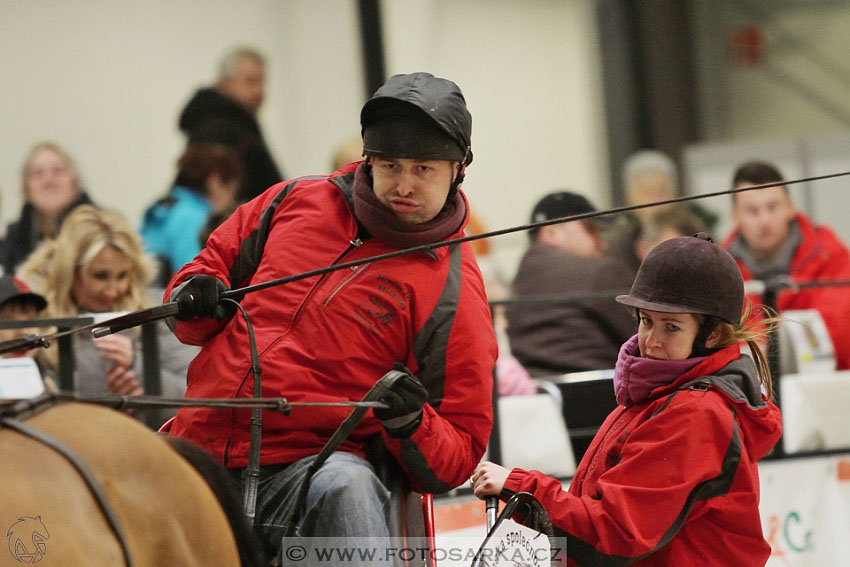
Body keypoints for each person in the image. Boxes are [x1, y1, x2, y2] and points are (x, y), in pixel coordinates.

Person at [164, 72, 497, 561]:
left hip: (311, 473)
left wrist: (410, 421)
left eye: (423, 169)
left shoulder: (455, 288)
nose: (403, 185)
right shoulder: (292, 199)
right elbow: (196, 286)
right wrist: (196, 295)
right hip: (198, 449)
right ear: (368, 159)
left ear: (458, 170)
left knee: (348, 486)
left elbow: (459, 452)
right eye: (390, 165)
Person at [473, 233, 782, 566]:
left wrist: (524, 489)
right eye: (647, 321)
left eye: (672, 327)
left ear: (715, 335)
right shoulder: (656, 395)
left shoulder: (695, 412)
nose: (651, 341)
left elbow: (617, 532)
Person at [18, 206, 196, 403]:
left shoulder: (158, 309)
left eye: (122, 275)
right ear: (70, 273)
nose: (112, 290)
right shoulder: (34, 315)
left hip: (145, 432)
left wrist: (141, 370)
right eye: (100, 276)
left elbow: (197, 396)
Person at [723, 160, 850, 370]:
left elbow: (839, 326)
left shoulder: (830, 255)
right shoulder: (718, 271)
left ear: (790, 207)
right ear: (734, 215)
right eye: (752, 210)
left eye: (773, 207)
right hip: (749, 392)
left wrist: (766, 347)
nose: (764, 220)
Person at [506, 191, 634, 376]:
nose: (602, 244)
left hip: (535, 392)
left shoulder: (518, 281)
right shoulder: (600, 271)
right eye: (591, 230)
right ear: (551, 232)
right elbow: (644, 337)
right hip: (601, 390)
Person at [178, 46, 283, 203]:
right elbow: (214, 197)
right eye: (250, 81)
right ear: (224, 83)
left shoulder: (241, 121)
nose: (259, 90)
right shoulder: (215, 127)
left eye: (262, 81)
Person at [140, 143, 242, 285]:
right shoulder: (195, 218)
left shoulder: (164, 206)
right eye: (232, 189)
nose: (232, 199)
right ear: (215, 182)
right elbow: (191, 278)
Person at [605, 150, 717, 276]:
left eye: (662, 191)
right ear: (629, 200)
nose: (656, 201)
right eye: (648, 193)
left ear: (675, 196)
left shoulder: (697, 237)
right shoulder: (615, 251)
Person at [1, 142, 95, 275]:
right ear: (26, 188)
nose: (49, 181)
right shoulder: (13, 239)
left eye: (58, 171)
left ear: (75, 181)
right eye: (38, 174)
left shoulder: (102, 230)